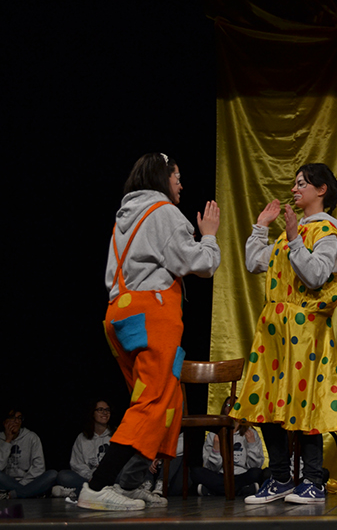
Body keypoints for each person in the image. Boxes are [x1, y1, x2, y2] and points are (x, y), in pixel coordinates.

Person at [79, 152, 221, 511]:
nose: (180, 185)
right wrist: (208, 237)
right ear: (162, 177)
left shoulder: (126, 216)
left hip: (120, 314)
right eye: (177, 177)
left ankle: (130, 483)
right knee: (153, 401)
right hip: (151, 314)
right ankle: (97, 486)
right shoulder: (163, 212)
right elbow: (200, 264)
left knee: (166, 400)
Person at [233, 163, 337, 506]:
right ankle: (281, 477)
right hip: (275, 329)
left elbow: (315, 276)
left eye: (302, 183)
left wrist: (295, 238)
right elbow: (255, 263)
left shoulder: (327, 231)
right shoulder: (292, 232)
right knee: (267, 399)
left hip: (305, 329)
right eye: (295, 183)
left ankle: (313, 479)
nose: (294, 189)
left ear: (321, 190)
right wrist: (261, 227)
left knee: (304, 401)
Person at [193, 398, 266, 497]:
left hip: (242, 475)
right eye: (228, 405)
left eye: (235, 405)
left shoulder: (251, 433)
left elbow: (255, 465)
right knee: (196, 472)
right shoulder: (213, 435)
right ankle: (242, 490)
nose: (231, 408)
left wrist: (252, 445)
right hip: (220, 476)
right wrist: (216, 449)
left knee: (257, 473)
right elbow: (210, 468)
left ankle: (215, 491)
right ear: (224, 409)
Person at [53, 400, 114, 500]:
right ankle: (104, 492)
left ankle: (75, 492)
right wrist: (91, 477)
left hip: (110, 477)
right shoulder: (82, 438)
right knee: (63, 475)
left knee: (123, 476)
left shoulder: (116, 435)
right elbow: (77, 464)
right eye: (100, 409)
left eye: (107, 410)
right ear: (93, 413)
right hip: (89, 478)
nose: (105, 413)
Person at [0, 407, 57, 499]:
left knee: (52, 474)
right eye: (12, 418)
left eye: (19, 418)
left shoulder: (31, 437)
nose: (16, 421)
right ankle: (31, 492)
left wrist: (23, 485)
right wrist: (8, 441)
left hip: (28, 482)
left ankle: (13, 494)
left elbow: (39, 468)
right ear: (4, 422)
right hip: (6, 483)